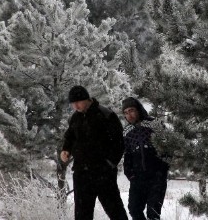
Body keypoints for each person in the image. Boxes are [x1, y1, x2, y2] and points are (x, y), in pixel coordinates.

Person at [60, 85, 128, 220]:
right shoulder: (75, 117)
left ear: (87, 99)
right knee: (82, 215)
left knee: (115, 211)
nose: (76, 106)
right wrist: (66, 149)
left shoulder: (106, 114)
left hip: (103, 173)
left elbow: (119, 143)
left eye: (78, 102)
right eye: (73, 104)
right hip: (81, 173)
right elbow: (70, 136)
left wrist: (109, 164)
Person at [121, 97, 170, 220]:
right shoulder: (126, 131)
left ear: (138, 109)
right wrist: (130, 173)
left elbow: (168, 148)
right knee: (134, 209)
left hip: (156, 178)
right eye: (126, 113)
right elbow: (127, 154)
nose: (129, 115)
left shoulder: (155, 124)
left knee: (153, 213)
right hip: (137, 179)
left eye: (131, 110)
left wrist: (161, 171)